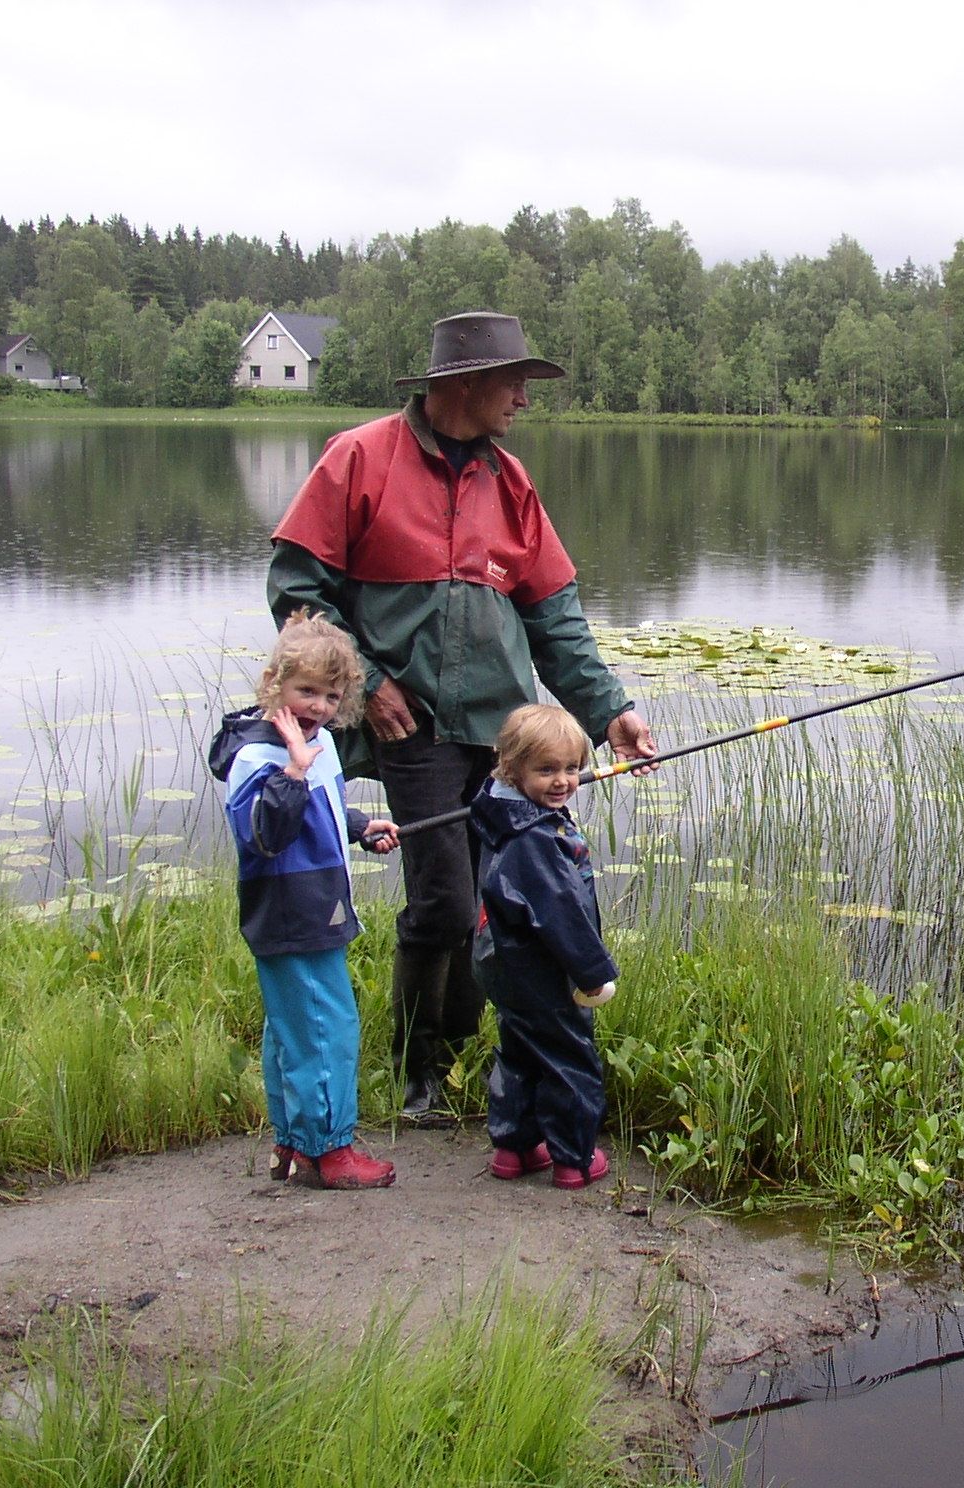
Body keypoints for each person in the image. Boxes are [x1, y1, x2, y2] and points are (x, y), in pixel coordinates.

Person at [266, 311, 655, 1127]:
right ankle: (418, 1073)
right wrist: (367, 682)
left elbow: (555, 618)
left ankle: (463, 1058)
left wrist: (610, 711)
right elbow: (300, 592)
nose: (523, 396)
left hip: (506, 740)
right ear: (464, 383)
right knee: (442, 903)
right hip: (416, 731)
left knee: (497, 904)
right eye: (514, 380)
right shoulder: (359, 458)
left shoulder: (511, 482)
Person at [207, 610, 401, 1190]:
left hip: (318, 901)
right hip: (291, 910)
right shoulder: (260, 756)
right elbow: (266, 834)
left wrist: (360, 825)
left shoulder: (316, 743)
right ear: (275, 685)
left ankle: (294, 1141)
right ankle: (331, 1151)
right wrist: (293, 768)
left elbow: (320, 812)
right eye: (306, 691)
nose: (318, 706)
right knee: (325, 1027)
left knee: (293, 1028)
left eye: (331, 695)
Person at [470, 704, 620, 1189]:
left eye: (572, 769)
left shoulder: (498, 811)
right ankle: (573, 1159)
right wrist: (593, 971)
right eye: (546, 770)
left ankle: (513, 1148)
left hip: (500, 958)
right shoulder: (535, 838)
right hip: (539, 967)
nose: (562, 781)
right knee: (569, 1055)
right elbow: (562, 915)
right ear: (513, 769)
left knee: (518, 1048)